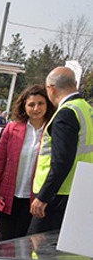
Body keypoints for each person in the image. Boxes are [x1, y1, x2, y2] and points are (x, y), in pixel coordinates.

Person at [30, 67, 93, 233]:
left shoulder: (66, 114)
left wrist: (43, 196)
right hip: (80, 191)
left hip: (58, 195)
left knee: (38, 248)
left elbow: (61, 161)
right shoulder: (87, 110)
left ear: (51, 89)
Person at [0, 85, 55, 241]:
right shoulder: (12, 129)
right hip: (8, 196)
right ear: (24, 106)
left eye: (41, 103)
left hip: (36, 199)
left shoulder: (53, 130)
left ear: (48, 105)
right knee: (4, 242)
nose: (36, 108)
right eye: (31, 104)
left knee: (26, 244)